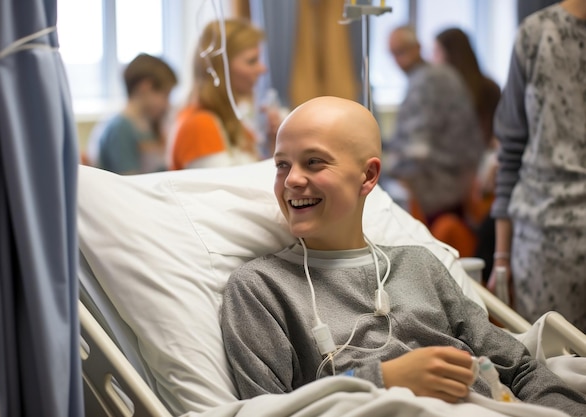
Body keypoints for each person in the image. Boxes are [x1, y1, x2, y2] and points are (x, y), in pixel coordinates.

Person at [220, 96, 586, 415]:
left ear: (368, 175)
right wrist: (385, 380)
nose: (292, 180)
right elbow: (268, 408)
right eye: (282, 164)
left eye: (314, 162)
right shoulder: (261, 289)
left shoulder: (418, 266)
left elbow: (519, 369)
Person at [489, 0, 586, 331]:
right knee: (551, 374)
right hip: (544, 243)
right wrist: (501, 258)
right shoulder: (535, 35)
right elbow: (510, 149)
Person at [386, 26, 485, 257]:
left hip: (441, 186)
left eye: (402, 51)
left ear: (418, 48)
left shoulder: (429, 80)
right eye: (392, 54)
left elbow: (417, 148)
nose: (397, 61)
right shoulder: (435, 75)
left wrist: (387, 168)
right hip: (454, 180)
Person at [433, 27, 502, 280]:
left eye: (437, 52)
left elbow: (500, 137)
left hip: (482, 176)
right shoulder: (444, 94)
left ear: (450, 54)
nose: (433, 60)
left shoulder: (485, 90)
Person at [169, 18, 278, 170]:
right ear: (221, 68)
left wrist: (276, 144)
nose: (262, 69)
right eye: (251, 61)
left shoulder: (231, 122)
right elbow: (230, 189)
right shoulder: (200, 125)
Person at [90, 53, 177, 175]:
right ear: (145, 87)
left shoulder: (148, 124)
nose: (167, 104)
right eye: (165, 95)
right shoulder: (120, 128)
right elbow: (129, 181)